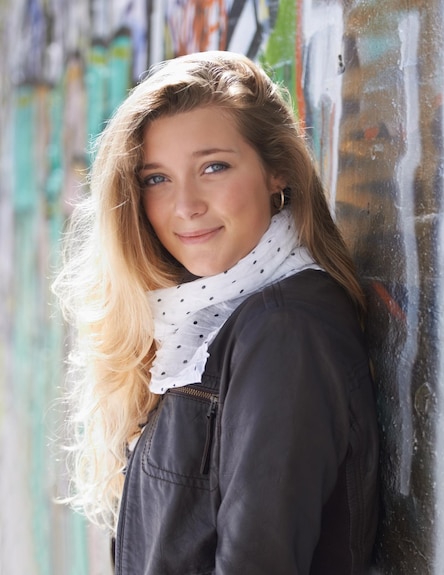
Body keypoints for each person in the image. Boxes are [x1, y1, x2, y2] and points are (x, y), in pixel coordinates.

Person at [53, 50, 379, 574]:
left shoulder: (284, 330)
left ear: (278, 172)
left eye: (213, 167)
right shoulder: (202, 321)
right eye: (156, 178)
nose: (186, 205)